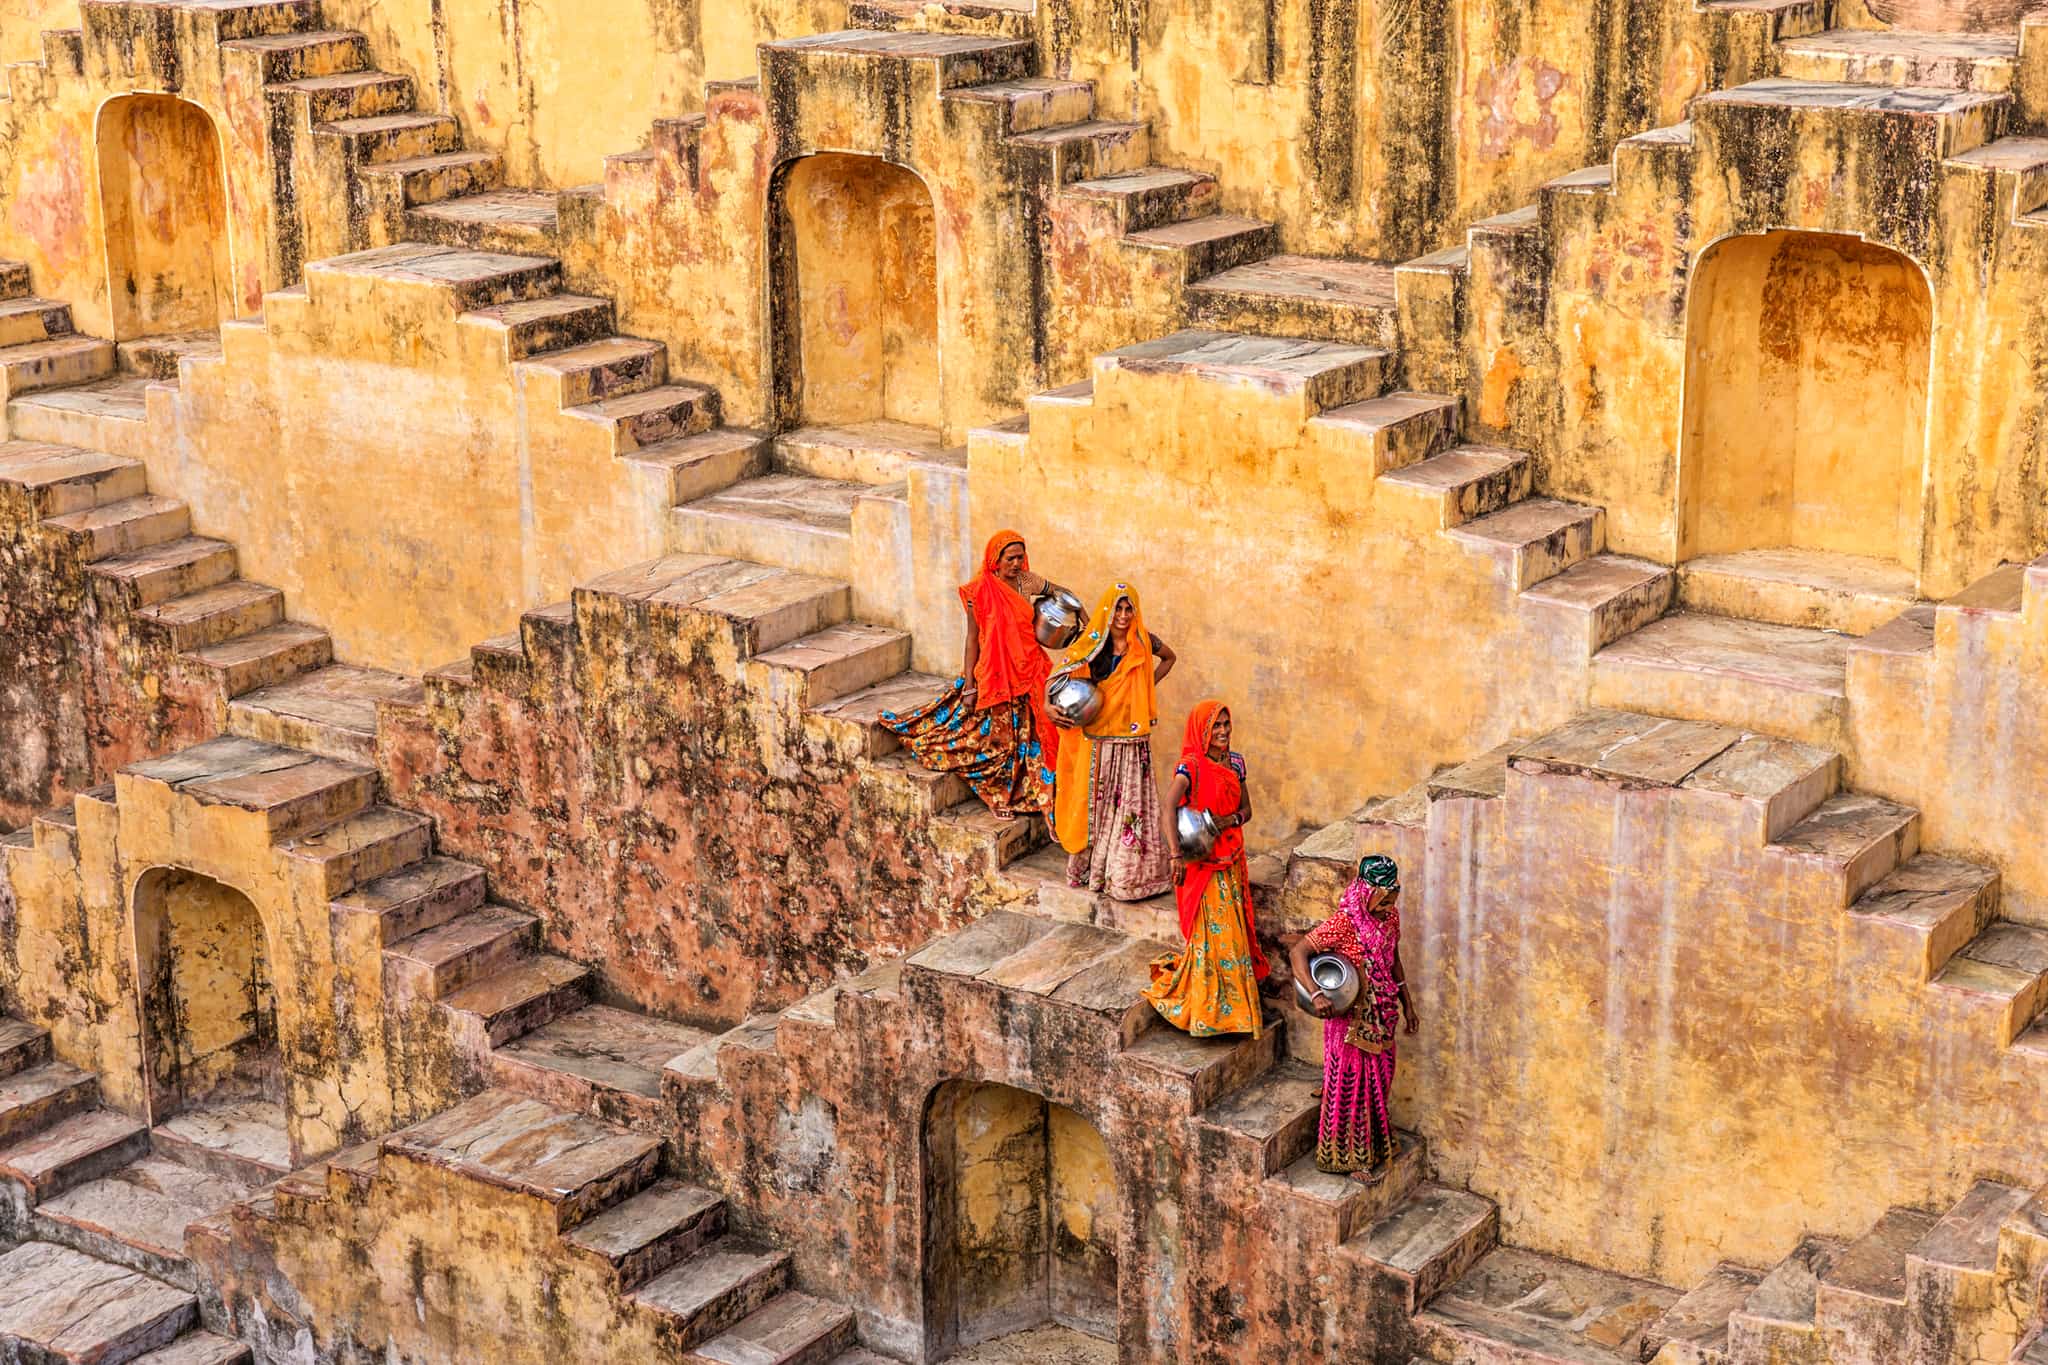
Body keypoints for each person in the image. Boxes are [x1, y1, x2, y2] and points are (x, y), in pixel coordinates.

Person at [881, 530, 1066, 819]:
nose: (1016, 563)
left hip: (1028, 670)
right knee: (996, 744)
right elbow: (972, 639)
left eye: (1020, 557)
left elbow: (1061, 593)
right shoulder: (978, 591)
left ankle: (1024, 793)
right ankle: (998, 796)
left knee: (1028, 742)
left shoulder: (1027, 582)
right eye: (1010, 557)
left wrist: (1080, 619)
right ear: (996, 558)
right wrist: (969, 685)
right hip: (995, 673)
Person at [1141, 700, 1266, 1036]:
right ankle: (1209, 1014)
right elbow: (1168, 806)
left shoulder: (1236, 762)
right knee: (1212, 935)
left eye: (1226, 724)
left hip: (1230, 857)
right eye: (1216, 727)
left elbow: (1247, 809)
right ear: (1202, 731)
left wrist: (1228, 820)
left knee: (1234, 936)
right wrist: (1175, 856)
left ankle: (1235, 1013)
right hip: (1202, 861)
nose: (1223, 732)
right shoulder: (1191, 766)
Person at [1291, 854, 1418, 1184]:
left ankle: (1373, 1147)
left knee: (1381, 1076)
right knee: (1351, 1083)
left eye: (1393, 897)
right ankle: (1347, 1157)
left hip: (1382, 1015)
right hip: (1350, 1019)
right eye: (1383, 896)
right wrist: (1316, 994)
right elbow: (1298, 952)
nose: (1388, 904)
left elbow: (1394, 960)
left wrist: (1407, 1002)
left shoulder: (1390, 920)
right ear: (1366, 891)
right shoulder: (1344, 923)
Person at [1051, 583, 1177, 901]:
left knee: (1130, 808)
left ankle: (1126, 876)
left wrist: (1145, 687)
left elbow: (1169, 658)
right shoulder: (1095, 644)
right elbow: (1057, 677)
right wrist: (1046, 705)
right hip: (1099, 737)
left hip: (1132, 740)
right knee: (1096, 806)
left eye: (1128, 608)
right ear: (1108, 610)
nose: (1123, 615)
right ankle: (1090, 871)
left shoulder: (1143, 642)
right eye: (1118, 608)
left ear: (1135, 611)